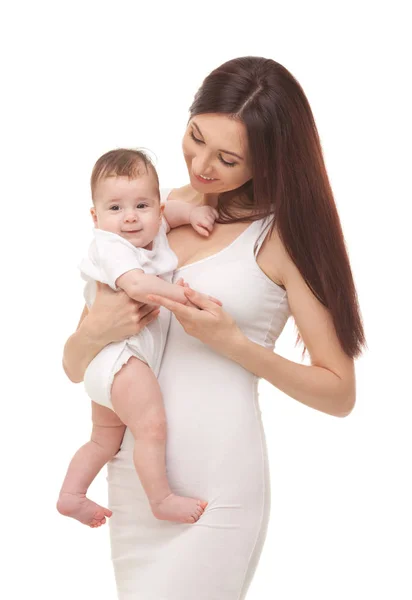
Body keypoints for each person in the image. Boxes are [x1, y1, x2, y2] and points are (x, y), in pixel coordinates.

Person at [62, 57, 365, 599]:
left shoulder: (284, 238)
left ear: (269, 161)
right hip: (136, 477)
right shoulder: (150, 211)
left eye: (227, 158)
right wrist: (96, 330)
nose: (201, 165)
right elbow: (72, 365)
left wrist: (234, 344)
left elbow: (339, 392)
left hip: (214, 486)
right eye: (196, 137)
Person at [57, 148, 220, 528]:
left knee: (103, 441)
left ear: (157, 209)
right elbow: (137, 284)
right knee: (151, 427)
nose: (130, 217)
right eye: (115, 208)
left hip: (107, 366)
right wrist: (184, 296)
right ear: (96, 217)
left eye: (142, 205)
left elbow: (173, 211)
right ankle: (160, 499)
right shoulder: (111, 248)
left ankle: (71, 494)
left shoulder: (154, 230)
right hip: (122, 358)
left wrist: (193, 213)